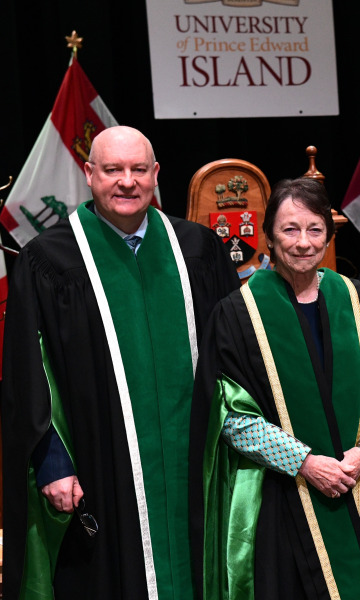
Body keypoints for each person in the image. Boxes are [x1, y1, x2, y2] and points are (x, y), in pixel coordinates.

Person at [1, 126, 240, 599]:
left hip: (197, 465)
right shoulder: (49, 260)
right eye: (112, 170)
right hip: (100, 466)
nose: (126, 182)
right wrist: (51, 463)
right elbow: (28, 373)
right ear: (89, 175)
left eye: (137, 170)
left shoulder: (198, 249)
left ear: (155, 175)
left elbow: (237, 358)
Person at [192, 177, 360, 599]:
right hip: (282, 499)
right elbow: (227, 414)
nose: (302, 242)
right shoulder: (237, 313)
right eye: (289, 230)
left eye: (314, 230)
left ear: (328, 237)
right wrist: (303, 462)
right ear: (268, 237)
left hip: (357, 491)